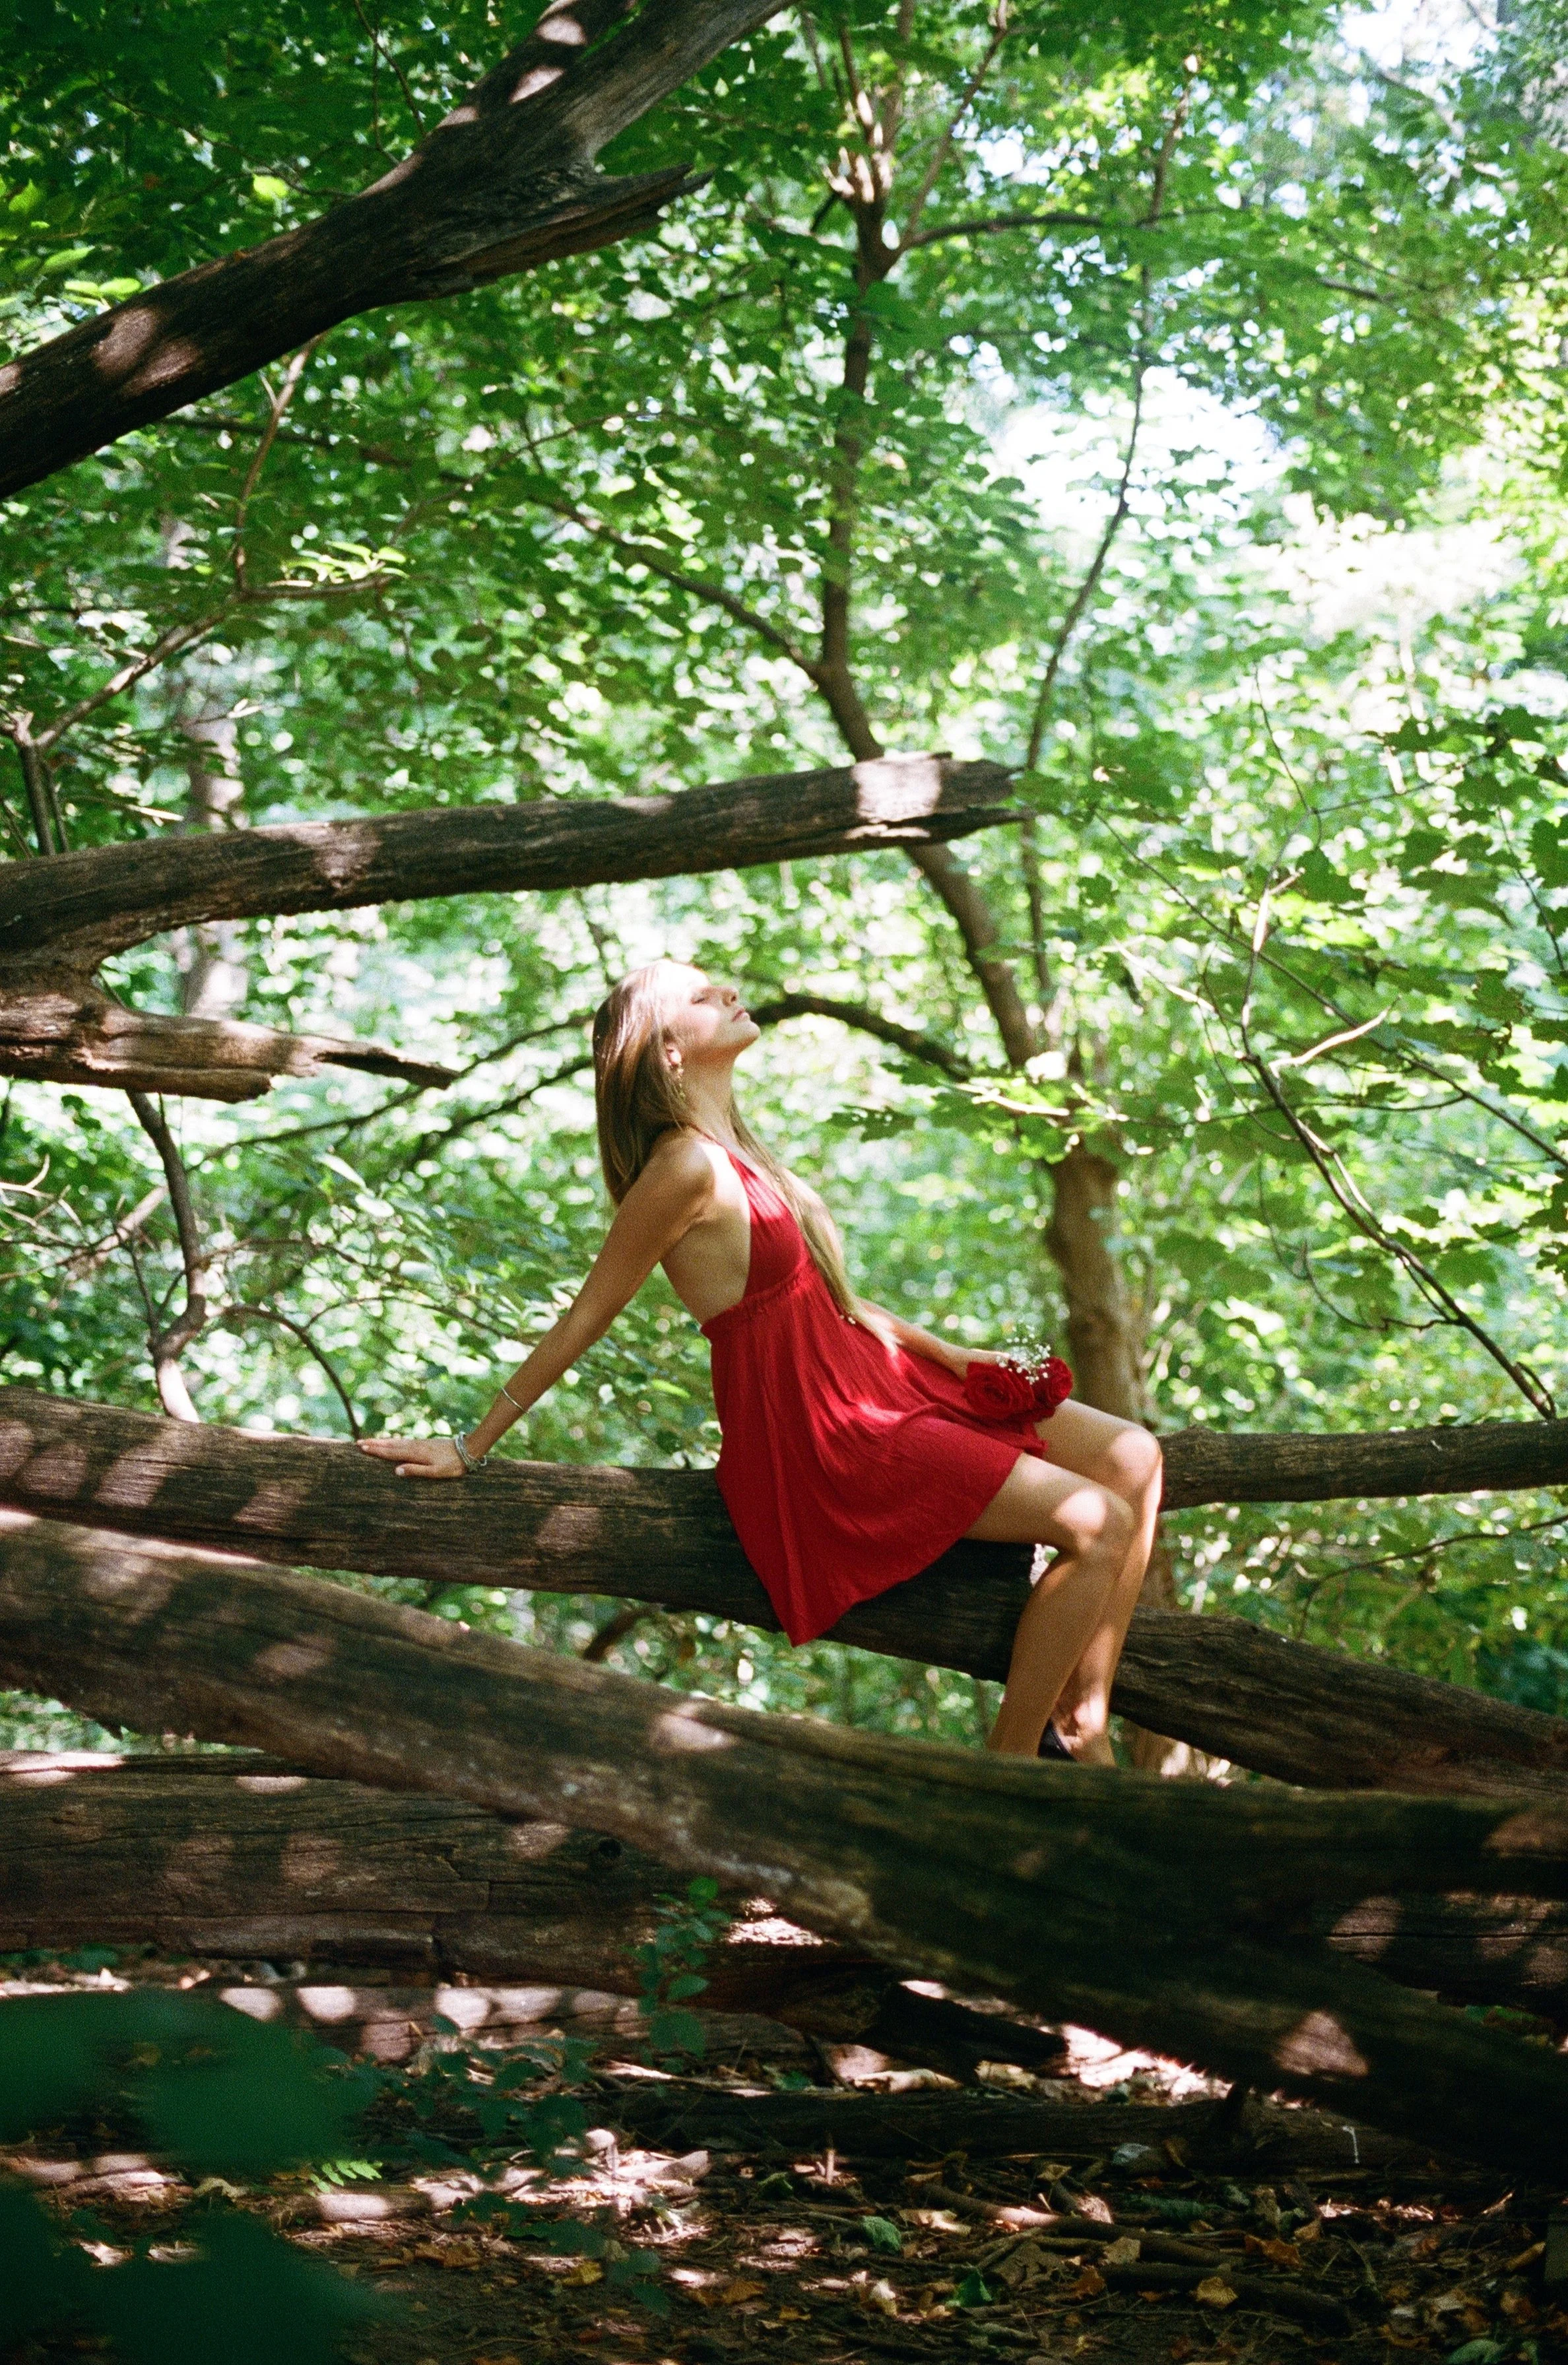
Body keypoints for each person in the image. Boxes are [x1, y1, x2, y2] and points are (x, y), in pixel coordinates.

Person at [360, 960, 1162, 1762]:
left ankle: (1079, 1717)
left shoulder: (745, 1149)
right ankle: (1011, 1770)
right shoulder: (682, 1168)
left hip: (875, 1382)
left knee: (1134, 1456)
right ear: (666, 1049)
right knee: (1100, 1523)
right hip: (826, 1433)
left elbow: (833, 1304)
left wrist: (951, 1354)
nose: (727, 991)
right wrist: (470, 1445)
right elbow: (585, 1317)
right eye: (699, 996)